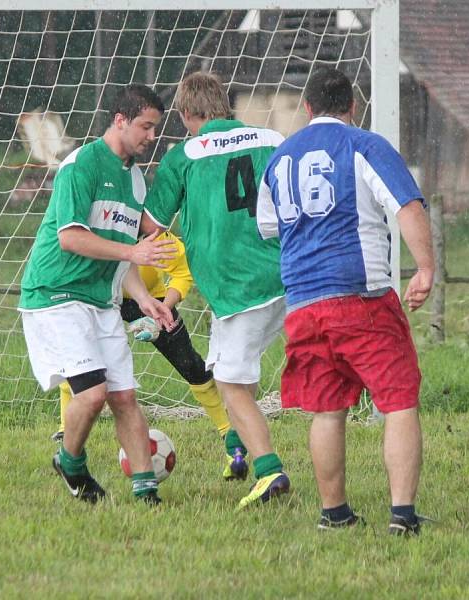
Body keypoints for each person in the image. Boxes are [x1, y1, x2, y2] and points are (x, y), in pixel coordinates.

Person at [256, 68, 434, 535]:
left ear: (308, 108)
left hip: (302, 303)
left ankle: (334, 513)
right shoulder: (363, 145)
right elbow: (407, 206)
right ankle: (402, 515)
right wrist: (426, 268)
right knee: (398, 400)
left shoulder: (278, 159)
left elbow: (269, 227)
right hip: (360, 295)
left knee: (327, 407)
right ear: (353, 107)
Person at [19, 84, 177, 505]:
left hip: (99, 300)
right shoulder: (81, 164)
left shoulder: (137, 182)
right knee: (92, 394)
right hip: (55, 294)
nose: (150, 136)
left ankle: (146, 492)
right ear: (120, 120)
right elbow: (71, 237)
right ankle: (70, 462)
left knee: (124, 396)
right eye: (145, 126)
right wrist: (134, 251)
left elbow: (122, 255)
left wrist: (144, 299)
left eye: (155, 129)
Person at [142, 71, 290, 510]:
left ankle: (269, 470)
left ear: (187, 114)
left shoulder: (183, 155)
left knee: (230, 382)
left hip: (239, 287)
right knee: (241, 371)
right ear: (224, 105)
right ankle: (240, 451)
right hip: (287, 273)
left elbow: (150, 227)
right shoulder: (271, 138)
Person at [51, 230, 248, 480]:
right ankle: (65, 430)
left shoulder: (157, 236)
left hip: (149, 300)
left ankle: (229, 435)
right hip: (96, 297)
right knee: (81, 361)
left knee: (190, 365)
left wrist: (165, 305)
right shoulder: (98, 228)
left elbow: (182, 271)